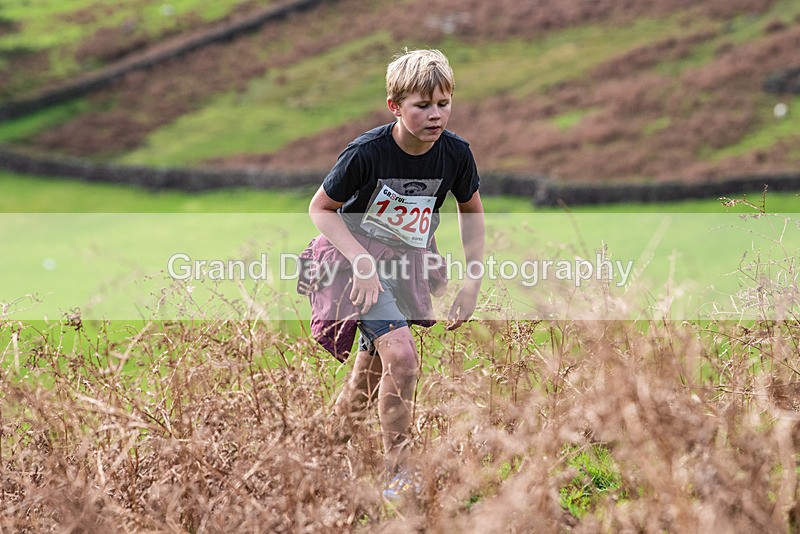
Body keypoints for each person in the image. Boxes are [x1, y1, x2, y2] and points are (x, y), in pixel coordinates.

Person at [300, 48, 485, 499]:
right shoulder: (367, 153)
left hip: (407, 268)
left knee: (372, 371)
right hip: (351, 266)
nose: (435, 115)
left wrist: (472, 281)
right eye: (423, 105)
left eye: (443, 103)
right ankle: (399, 476)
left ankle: (320, 458)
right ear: (395, 106)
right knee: (401, 358)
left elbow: (472, 215)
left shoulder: (456, 155)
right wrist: (362, 262)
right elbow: (321, 209)